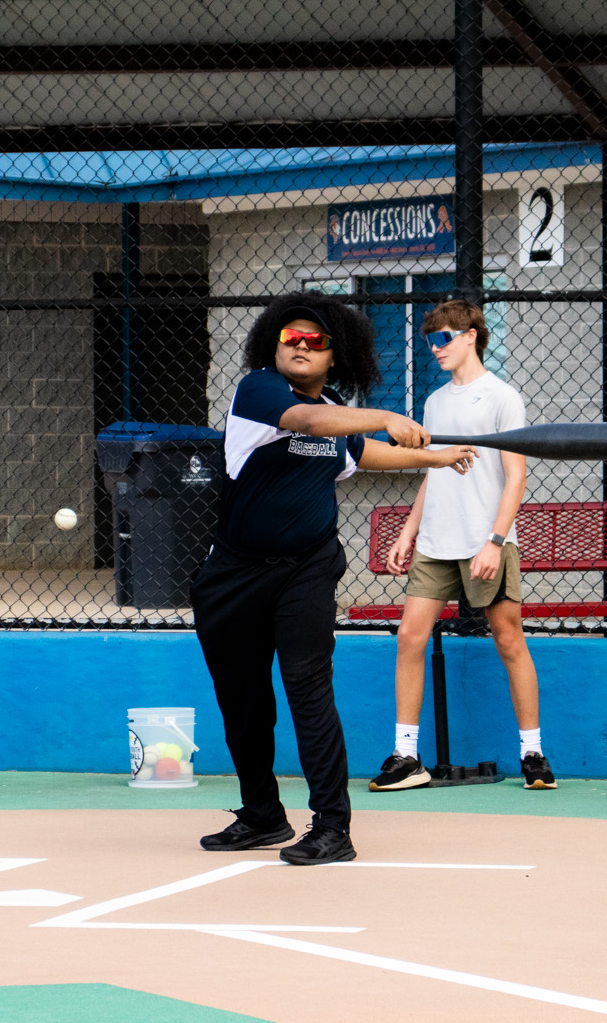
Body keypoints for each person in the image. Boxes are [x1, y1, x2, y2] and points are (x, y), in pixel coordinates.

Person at [191, 291, 476, 865]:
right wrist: (391, 416)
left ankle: (332, 826)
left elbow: (360, 453)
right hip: (233, 573)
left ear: (334, 354)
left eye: (313, 340)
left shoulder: (339, 410)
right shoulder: (261, 393)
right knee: (244, 702)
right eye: (289, 338)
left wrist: (435, 458)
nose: (299, 346)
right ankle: (262, 815)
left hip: (307, 569)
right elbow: (309, 421)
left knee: (308, 687)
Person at [368, 299, 557, 793]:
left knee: (508, 639)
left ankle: (533, 753)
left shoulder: (502, 398)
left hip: (484, 541)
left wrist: (494, 542)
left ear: (472, 335)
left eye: (444, 338)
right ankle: (406, 756)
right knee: (410, 636)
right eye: (431, 341)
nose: (436, 348)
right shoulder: (434, 402)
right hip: (436, 543)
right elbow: (435, 471)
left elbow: (515, 478)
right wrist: (409, 531)